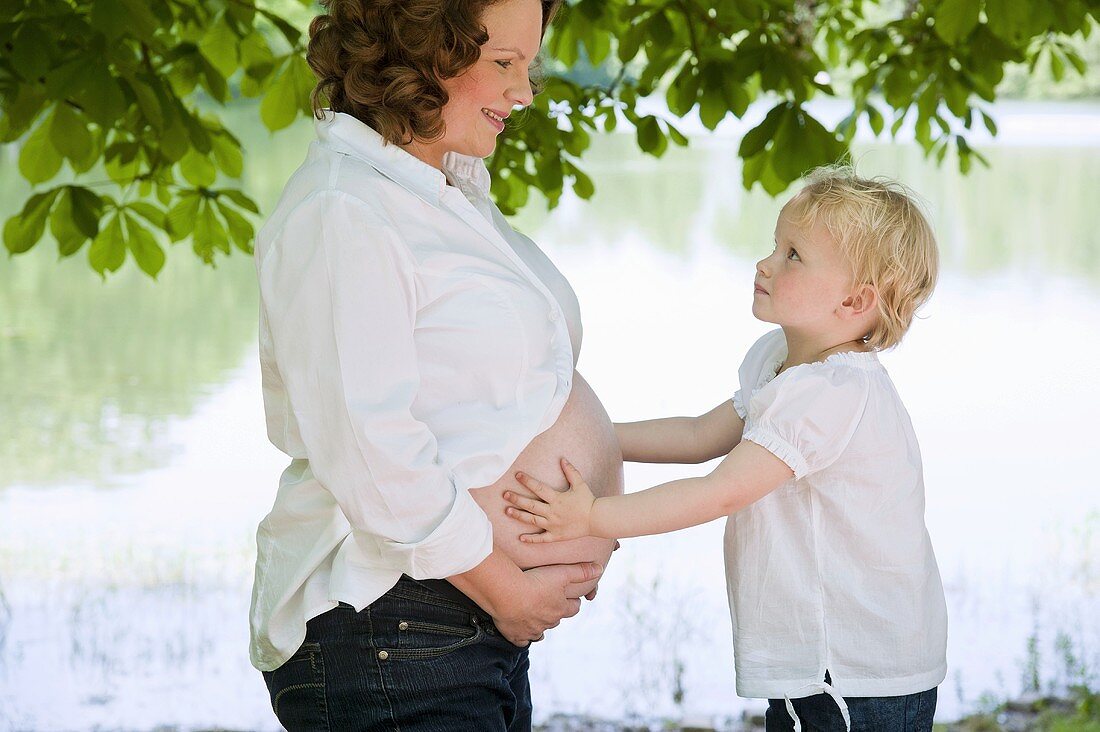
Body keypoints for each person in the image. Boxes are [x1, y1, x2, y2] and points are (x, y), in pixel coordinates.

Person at [247, 0, 624, 729]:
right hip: (393, 625)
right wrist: (505, 590)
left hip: (453, 622)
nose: (525, 92)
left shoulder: (439, 194)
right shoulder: (344, 211)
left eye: (529, 66)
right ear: (421, 53)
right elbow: (369, 448)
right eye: (503, 64)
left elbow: (493, 402)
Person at [504, 167, 949, 732]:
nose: (765, 263)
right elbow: (698, 435)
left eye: (793, 255)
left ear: (854, 301)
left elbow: (719, 493)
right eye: (775, 245)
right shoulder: (779, 363)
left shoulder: (831, 394)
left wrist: (592, 516)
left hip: (858, 675)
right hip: (816, 666)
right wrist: (591, 433)